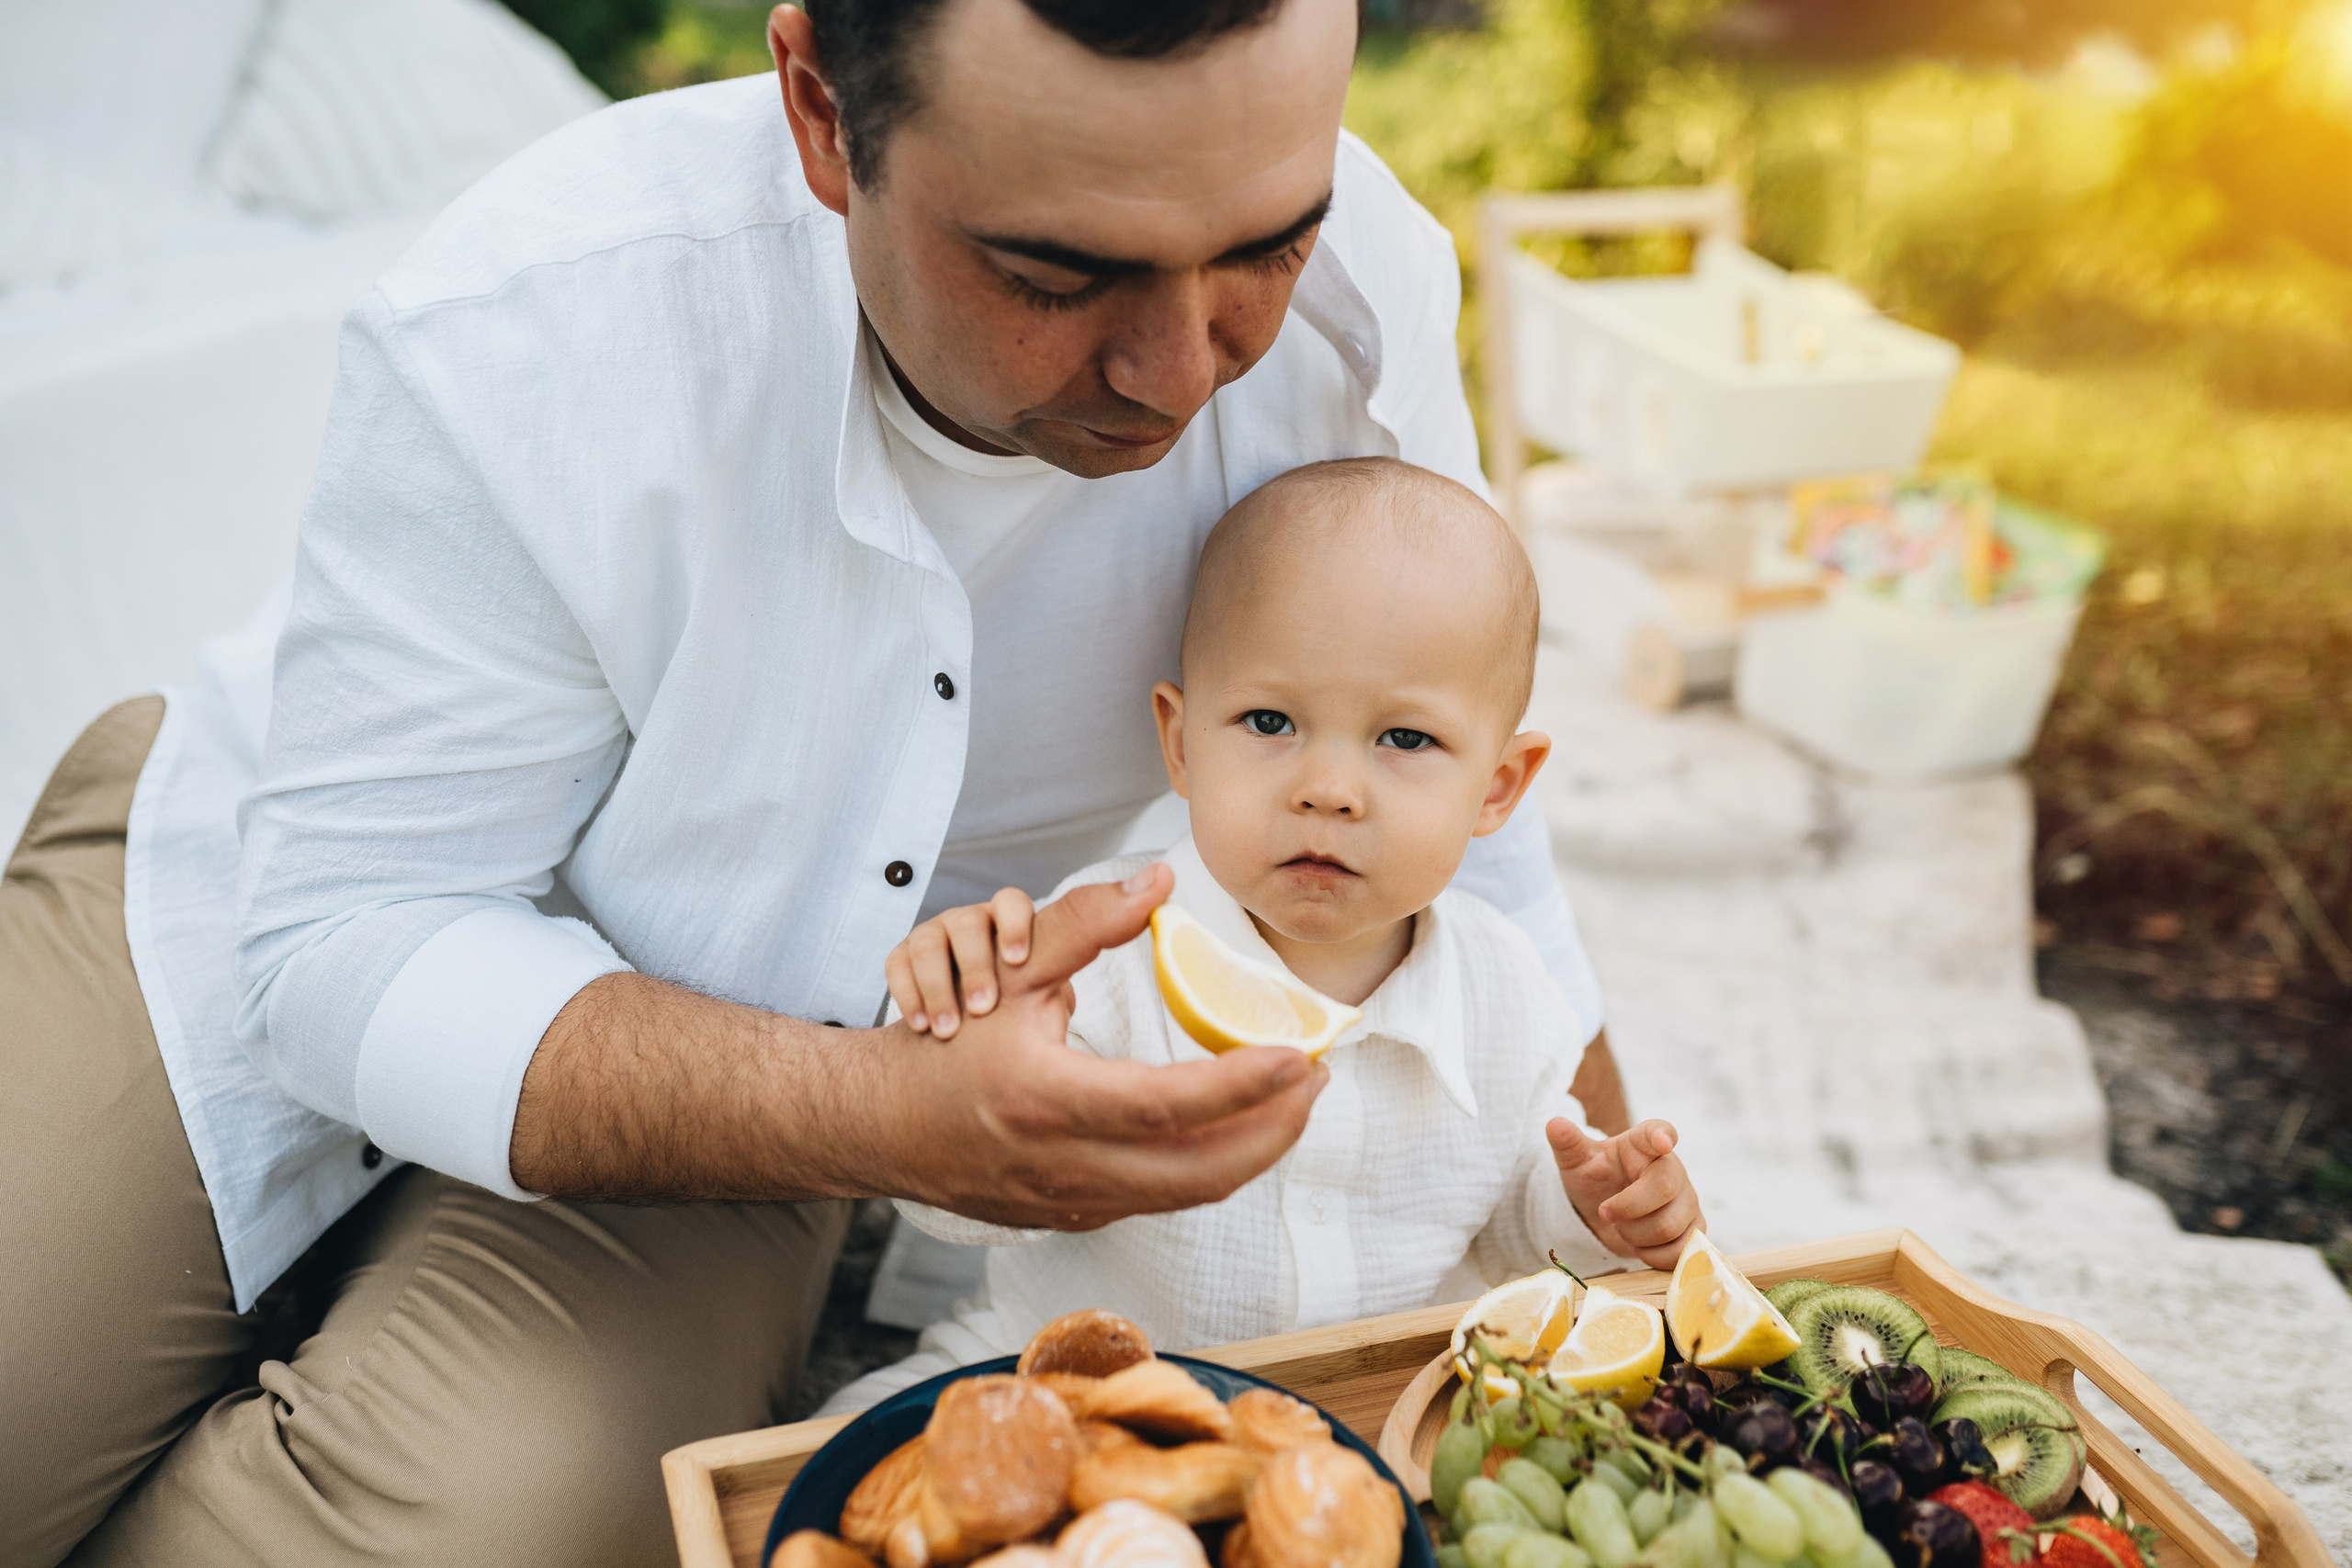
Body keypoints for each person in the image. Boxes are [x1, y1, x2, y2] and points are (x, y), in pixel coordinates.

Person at [0, 2, 1630, 1563]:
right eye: (1059, 270)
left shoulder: (1370, 295)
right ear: (821, 114)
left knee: (495, 1528)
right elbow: (346, 938)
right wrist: (902, 1121)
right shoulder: (539, 303)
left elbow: (1453, 752)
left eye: (1266, 244)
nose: (1178, 369)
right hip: (269, 901)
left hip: (752, 1056)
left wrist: (1652, 1252)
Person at [828, 458, 1701, 1410]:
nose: (1326, 788)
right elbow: (954, 1206)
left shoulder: (1508, 995)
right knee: (834, 1463)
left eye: (1404, 739)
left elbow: (1507, 1226)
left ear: (1497, 787)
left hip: (1374, 1410)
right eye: (1270, 720)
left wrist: (1586, 1208)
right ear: (1182, 742)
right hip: (1062, 1384)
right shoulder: (1096, 954)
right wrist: (944, 1046)